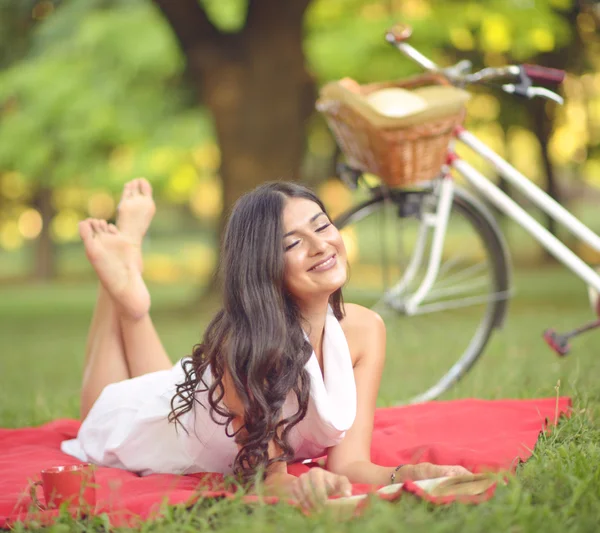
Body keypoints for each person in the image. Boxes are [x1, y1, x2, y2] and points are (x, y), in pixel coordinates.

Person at [61, 178, 470, 509]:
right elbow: (266, 479)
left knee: (166, 382)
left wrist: (407, 475)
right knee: (99, 414)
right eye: (292, 243)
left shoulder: (366, 329)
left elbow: (351, 464)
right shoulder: (244, 349)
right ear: (263, 266)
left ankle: (130, 294)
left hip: (189, 394)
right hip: (159, 429)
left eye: (322, 225)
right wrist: (299, 483)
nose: (320, 245)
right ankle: (115, 282)